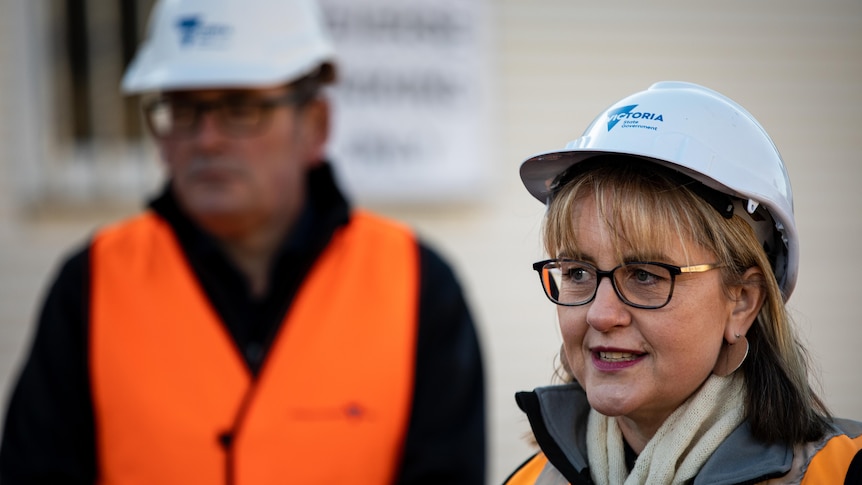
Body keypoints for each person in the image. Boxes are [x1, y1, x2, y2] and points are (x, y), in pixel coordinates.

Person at [0, 0, 485, 483]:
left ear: (315, 124)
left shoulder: (417, 285)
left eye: (240, 107)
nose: (206, 138)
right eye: (182, 110)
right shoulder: (93, 281)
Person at [504, 81, 862, 484]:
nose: (601, 315)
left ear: (742, 302)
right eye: (578, 273)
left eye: (645, 276)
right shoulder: (530, 479)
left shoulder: (842, 471)